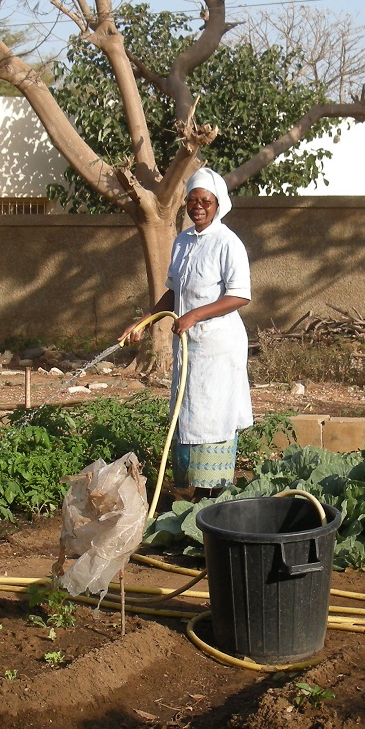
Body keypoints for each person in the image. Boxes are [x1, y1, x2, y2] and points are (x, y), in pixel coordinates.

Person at [123, 166, 253, 496]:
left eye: (205, 201)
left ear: (218, 203)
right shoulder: (183, 241)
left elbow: (239, 295)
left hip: (218, 347)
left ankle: (215, 491)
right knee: (189, 411)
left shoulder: (228, 243)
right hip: (189, 345)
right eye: (192, 200)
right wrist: (144, 321)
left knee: (213, 413)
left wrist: (195, 315)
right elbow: (172, 291)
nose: (198, 206)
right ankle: (193, 492)